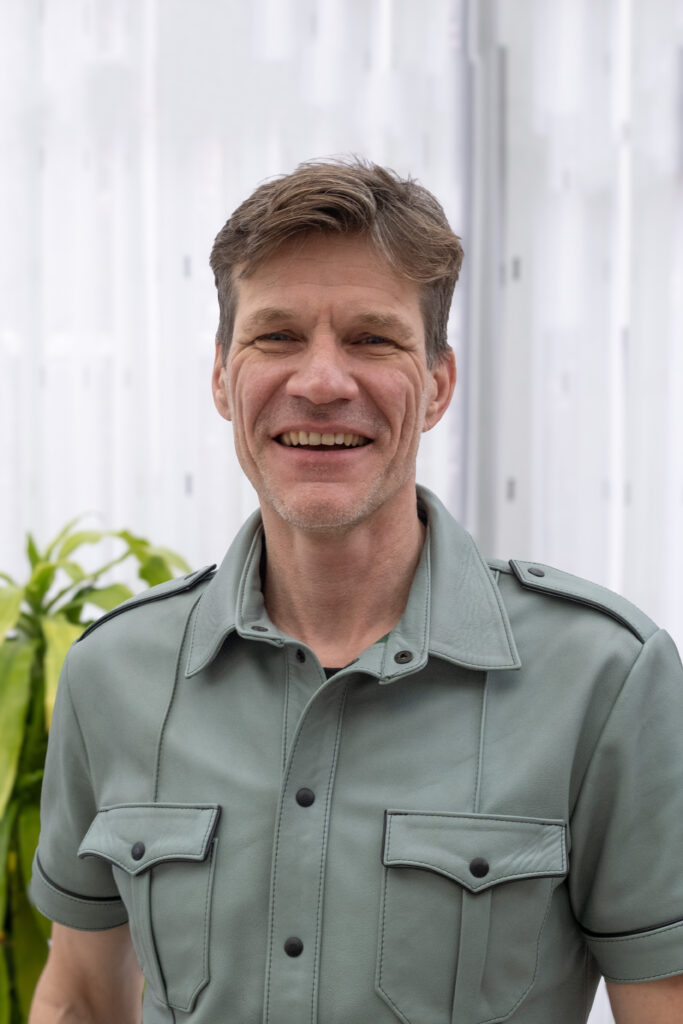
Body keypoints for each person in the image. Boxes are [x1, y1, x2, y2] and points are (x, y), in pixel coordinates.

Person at [29, 159, 683, 1024]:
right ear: (221, 377)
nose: (321, 382)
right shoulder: (112, 672)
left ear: (438, 384)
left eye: (372, 339)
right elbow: (79, 993)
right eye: (276, 336)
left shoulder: (604, 678)